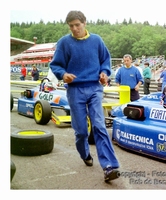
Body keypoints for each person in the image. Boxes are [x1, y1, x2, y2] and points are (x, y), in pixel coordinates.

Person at [49, 10, 120, 182]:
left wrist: (104, 72)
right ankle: (85, 154)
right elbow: (56, 65)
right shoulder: (65, 43)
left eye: (77, 25)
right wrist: (63, 74)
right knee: (81, 131)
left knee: (99, 125)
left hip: (95, 88)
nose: (74, 29)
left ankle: (109, 166)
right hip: (75, 90)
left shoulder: (96, 40)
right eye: (71, 26)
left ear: (84, 23)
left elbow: (105, 60)